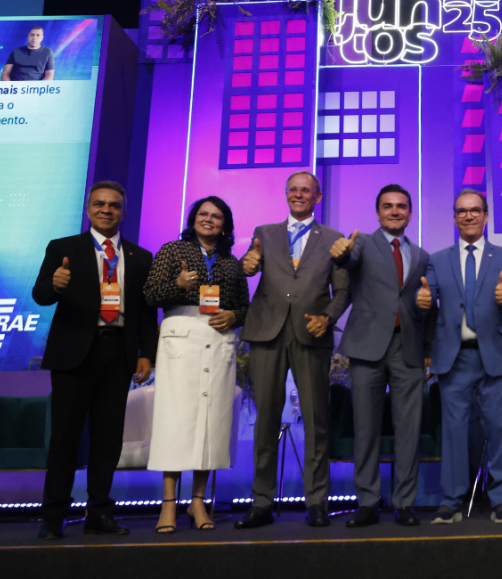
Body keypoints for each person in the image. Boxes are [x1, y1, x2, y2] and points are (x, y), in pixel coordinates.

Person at [32, 181, 156, 539]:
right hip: (73, 356)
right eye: (99, 204)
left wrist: (147, 353)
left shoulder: (140, 257)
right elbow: (40, 294)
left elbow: (146, 312)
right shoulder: (63, 248)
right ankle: (53, 517)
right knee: (64, 438)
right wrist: (56, 284)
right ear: (88, 210)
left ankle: (99, 513)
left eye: (114, 205)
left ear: (124, 212)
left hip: (117, 354)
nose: (106, 210)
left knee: (108, 440)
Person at [235, 171, 350, 529]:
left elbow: (343, 291)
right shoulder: (265, 233)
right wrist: (246, 265)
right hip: (266, 331)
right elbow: (248, 266)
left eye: (306, 190)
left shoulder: (334, 239)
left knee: (316, 421)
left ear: (318, 197)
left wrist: (328, 318)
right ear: (286, 194)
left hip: (311, 333)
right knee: (265, 421)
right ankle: (261, 502)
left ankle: (317, 502)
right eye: (293, 190)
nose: (299, 195)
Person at [143, 196, 250, 533]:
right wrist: (177, 285)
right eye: (203, 214)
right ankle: (168, 504)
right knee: (175, 420)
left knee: (211, 422)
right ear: (193, 219)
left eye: (216, 216)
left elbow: (245, 308)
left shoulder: (231, 262)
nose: (209, 219)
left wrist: (234, 316)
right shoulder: (172, 251)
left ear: (225, 225)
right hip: (181, 337)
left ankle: (198, 502)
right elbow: (149, 295)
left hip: (219, 339)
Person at [329, 184, 433, 528]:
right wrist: (341, 253)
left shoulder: (422, 255)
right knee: (365, 428)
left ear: (410, 213)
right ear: (378, 213)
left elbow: (428, 305)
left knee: (409, 430)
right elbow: (348, 260)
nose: (394, 211)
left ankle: (405, 503)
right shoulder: (360, 243)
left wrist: (429, 349)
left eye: (401, 206)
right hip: (367, 347)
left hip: (409, 348)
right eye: (388, 206)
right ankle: (368, 502)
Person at [417, 189, 502, 524]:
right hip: (454, 358)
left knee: (498, 429)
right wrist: (423, 299)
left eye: (475, 210)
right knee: (453, 431)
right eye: (462, 211)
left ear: (486, 216)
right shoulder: (438, 259)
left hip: (493, 356)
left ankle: (501, 498)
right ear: (454, 218)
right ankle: (451, 500)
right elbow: (428, 294)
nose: (469, 216)